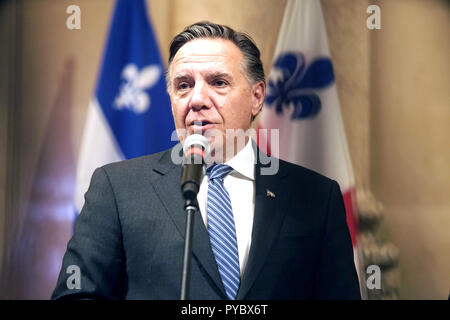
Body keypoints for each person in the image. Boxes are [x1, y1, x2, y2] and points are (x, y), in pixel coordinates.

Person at [52, 21, 360, 300]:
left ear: (256, 97)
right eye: (184, 85)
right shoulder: (118, 188)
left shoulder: (316, 196)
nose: (197, 99)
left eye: (218, 82)